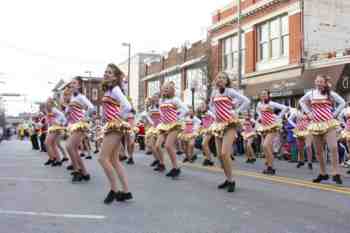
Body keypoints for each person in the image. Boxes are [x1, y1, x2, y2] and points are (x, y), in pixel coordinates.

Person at [299, 74, 345, 184]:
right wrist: (308, 112)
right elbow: (301, 101)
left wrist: (334, 113)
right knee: (319, 151)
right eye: (317, 81)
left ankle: (336, 172)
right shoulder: (311, 94)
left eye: (321, 81)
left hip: (329, 124)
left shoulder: (330, 93)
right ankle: (323, 173)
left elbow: (342, 102)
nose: (318, 83)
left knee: (333, 147)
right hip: (316, 125)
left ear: (325, 83)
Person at [209, 72, 250, 192]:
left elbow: (246, 101)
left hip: (230, 124)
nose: (220, 80)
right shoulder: (214, 92)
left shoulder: (230, 91)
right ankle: (227, 179)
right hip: (218, 124)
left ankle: (232, 181)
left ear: (226, 81)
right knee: (220, 156)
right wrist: (214, 114)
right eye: (218, 78)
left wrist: (236, 111)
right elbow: (210, 106)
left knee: (224, 153)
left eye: (223, 78)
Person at [98, 63, 132, 204]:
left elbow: (128, 106)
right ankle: (126, 191)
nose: (106, 74)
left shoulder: (116, 89)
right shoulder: (108, 91)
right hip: (111, 126)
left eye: (110, 72)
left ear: (116, 77)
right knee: (114, 160)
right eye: (106, 71)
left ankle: (113, 190)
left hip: (114, 126)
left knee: (102, 158)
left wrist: (118, 118)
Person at [155, 81, 189, 178]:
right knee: (157, 145)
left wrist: (177, 117)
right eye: (164, 88)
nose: (165, 90)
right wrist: (162, 120)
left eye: (167, 88)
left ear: (172, 90)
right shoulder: (161, 100)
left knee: (168, 146)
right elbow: (161, 112)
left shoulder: (175, 100)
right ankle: (162, 164)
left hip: (174, 125)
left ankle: (176, 168)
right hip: (164, 125)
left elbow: (185, 110)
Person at [65, 77, 95, 182]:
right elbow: (68, 113)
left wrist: (84, 118)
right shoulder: (72, 98)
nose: (72, 85)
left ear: (79, 86)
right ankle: (85, 173)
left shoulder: (81, 97)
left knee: (69, 146)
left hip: (80, 125)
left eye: (74, 83)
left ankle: (77, 171)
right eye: (71, 83)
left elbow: (92, 107)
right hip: (73, 125)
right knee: (72, 149)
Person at [256, 90, 288, 175]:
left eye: (265, 94)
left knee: (265, 145)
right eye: (262, 94)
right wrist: (260, 117)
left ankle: (270, 167)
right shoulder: (259, 104)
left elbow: (285, 108)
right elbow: (258, 111)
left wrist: (278, 117)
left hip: (272, 126)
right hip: (264, 127)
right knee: (267, 147)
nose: (263, 95)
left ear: (268, 95)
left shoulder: (271, 103)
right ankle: (270, 166)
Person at [143, 93, 164, 170]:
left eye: (156, 97)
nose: (155, 98)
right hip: (153, 128)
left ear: (159, 98)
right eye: (154, 97)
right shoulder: (151, 107)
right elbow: (147, 115)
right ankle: (157, 160)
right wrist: (151, 122)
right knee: (151, 145)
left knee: (158, 146)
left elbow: (165, 115)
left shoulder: (162, 105)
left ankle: (161, 163)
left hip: (161, 127)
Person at [44, 98, 67, 167]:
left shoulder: (54, 110)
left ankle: (53, 158)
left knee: (47, 143)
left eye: (48, 103)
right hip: (53, 128)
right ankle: (58, 160)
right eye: (46, 103)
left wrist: (60, 124)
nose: (47, 104)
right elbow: (49, 121)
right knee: (53, 144)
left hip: (55, 127)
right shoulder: (50, 110)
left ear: (51, 103)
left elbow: (63, 118)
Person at [198, 102, 215, 166]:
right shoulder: (202, 114)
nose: (202, 106)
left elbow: (215, 119)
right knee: (204, 145)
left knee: (204, 144)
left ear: (206, 107)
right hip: (205, 130)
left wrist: (211, 127)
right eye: (201, 105)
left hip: (210, 130)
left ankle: (208, 159)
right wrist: (201, 127)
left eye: (203, 105)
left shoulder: (210, 112)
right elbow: (203, 122)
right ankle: (209, 160)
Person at [338, 102, 350, 174]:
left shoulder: (346, 110)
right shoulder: (346, 109)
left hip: (347, 128)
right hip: (348, 129)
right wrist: (344, 124)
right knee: (348, 146)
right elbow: (340, 117)